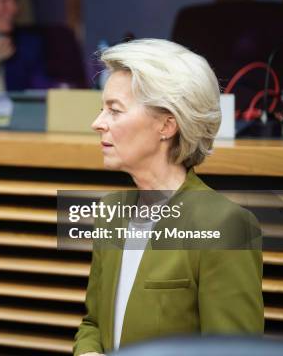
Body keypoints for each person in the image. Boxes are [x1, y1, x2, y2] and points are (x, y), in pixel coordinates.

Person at [74, 39, 263, 356]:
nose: (97, 123)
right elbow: (92, 324)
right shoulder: (110, 213)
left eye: (114, 110)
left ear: (166, 124)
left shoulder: (224, 225)